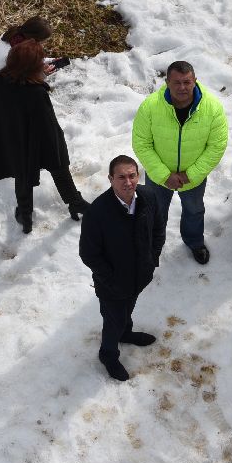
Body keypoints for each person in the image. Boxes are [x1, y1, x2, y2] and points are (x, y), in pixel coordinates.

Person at [0, 40, 89, 231]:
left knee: (23, 174)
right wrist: (56, 147)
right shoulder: (36, 92)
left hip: (8, 139)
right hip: (34, 140)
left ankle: (25, 215)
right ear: (32, 68)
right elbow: (47, 125)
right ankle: (75, 202)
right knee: (58, 163)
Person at [131, 61, 229, 265]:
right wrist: (164, 175)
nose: (182, 87)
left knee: (194, 210)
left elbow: (216, 146)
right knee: (155, 211)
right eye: (176, 82)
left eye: (187, 82)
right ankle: (152, 244)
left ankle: (195, 241)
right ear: (167, 82)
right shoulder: (150, 107)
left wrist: (191, 174)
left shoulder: (212, 108)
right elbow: (141, 143)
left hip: (193, 177)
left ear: (195, 81)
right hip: (158, 176)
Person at [78, 156, 160, 382]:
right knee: (113, 321)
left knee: (127, 311)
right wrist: (112, 280)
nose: (128, 182)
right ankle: (108, 354)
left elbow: (158, 229)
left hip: (139, 276)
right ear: (110, 179)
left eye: (132, 176)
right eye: (121, 177)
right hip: (112, 286)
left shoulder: (149, 196)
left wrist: (152, 259)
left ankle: (126, 333)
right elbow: (89, 253)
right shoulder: (97, 212)